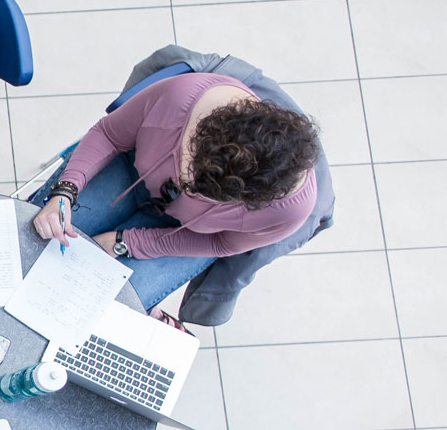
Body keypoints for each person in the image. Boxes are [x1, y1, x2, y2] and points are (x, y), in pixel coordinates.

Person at [30, 71, 320, 327]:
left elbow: (220, 243)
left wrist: (128, 242)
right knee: (34, 239)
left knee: (102, 313)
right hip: (131, 173)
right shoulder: (178, 99)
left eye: (207, 195)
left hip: (188, 235)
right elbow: (108, 134)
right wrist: (65, 191)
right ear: (204, 133)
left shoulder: (290, 210)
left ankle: (148, 312)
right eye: (190, 170)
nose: (187, 190)